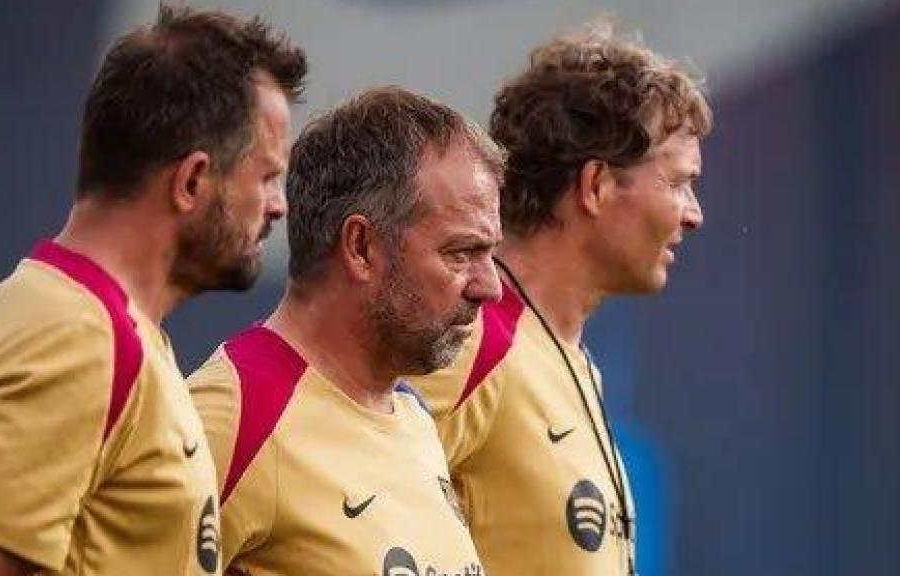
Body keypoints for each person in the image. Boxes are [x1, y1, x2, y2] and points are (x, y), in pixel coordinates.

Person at [0, 6, 306, 575]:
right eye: (267, 176)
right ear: (193, 180)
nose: (278, 205)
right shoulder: (76, 342)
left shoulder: (90, 325)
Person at [408, 24, 713, 575]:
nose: (693, 213)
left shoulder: (568, 360)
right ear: (595, 186)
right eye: (677, 182)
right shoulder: (472, 339)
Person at [187, 86, 503, 576]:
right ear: (361, 247)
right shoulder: (234, 414)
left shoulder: (413, 416)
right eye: (461, 253)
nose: (490, 288)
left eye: (490, 255)